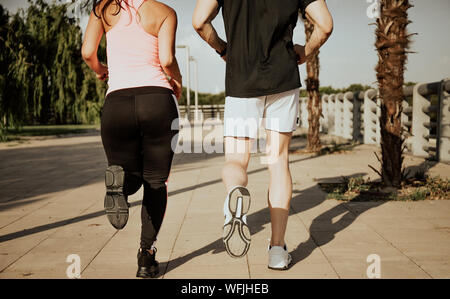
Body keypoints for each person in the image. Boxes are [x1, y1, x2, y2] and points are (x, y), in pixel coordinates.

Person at [193, 0, 333, 270]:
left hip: (241, 78)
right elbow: (325, 25)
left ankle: (235, 194)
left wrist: (223, 48)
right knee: (278, 161)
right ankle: (278, 251)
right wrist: (307, 51)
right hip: (284, 76)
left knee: (236, 159)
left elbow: (199, 21)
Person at [82, 0, 182, 278]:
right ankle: (145, 257)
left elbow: (87, 51)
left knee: (129, 173)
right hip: (158, 101)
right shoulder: (165, 12)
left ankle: (122, 186)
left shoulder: (103, 8)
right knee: (155, 182)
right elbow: (167, 60)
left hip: (117, 104)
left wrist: (101, 70)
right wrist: (178, 80)